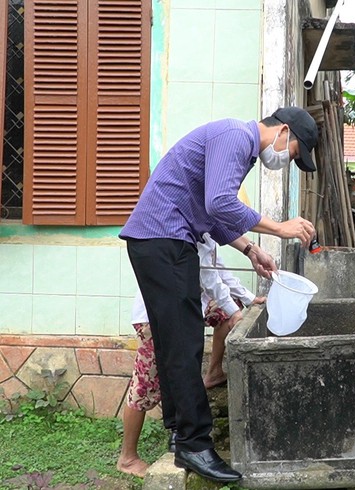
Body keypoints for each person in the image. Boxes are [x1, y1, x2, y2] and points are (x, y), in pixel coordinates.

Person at [119, 106, 319, 482]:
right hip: (164, 238)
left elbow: (212, 215)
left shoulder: (236, 144)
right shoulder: (236, 136)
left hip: (158, 239)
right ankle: (195, 444)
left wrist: (250, 249)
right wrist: (279, 228)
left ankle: (181, 434)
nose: (285, 161)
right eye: (292, 153)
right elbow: (220, 204)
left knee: (173, 341)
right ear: (284, 132)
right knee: (184, 341)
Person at [117, 233, 266, 478]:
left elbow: (219, 269)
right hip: (155, 318)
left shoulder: (203, 232)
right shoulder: (185, 235)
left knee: (226, 313)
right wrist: (233, 306)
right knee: (145, 386)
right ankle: (127, 457)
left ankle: (214, 372)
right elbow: (210, 278)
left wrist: (248, 299)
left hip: (186, 308)